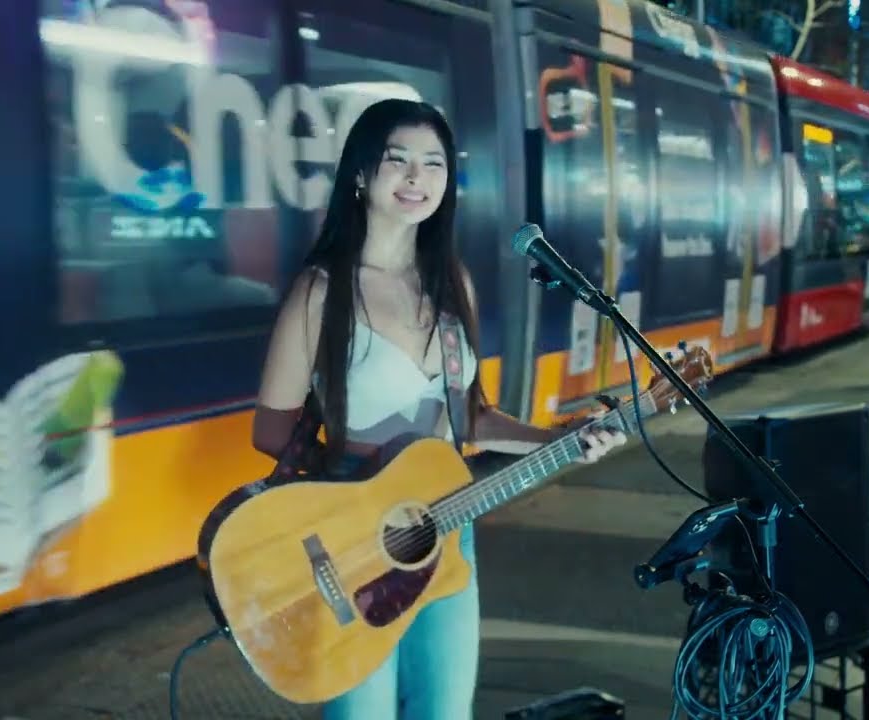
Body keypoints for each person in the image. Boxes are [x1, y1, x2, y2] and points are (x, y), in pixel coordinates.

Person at [249, 98, 627, 720]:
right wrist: (360, 503)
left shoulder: (451, 281)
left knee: (444, 710)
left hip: (448, 531)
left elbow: (468, 417)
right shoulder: (323, 291)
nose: (417, 178)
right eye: (398, 161)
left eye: (434, 164)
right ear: (363, 175)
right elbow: (270, 428)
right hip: (355, 542)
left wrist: (557, 438)